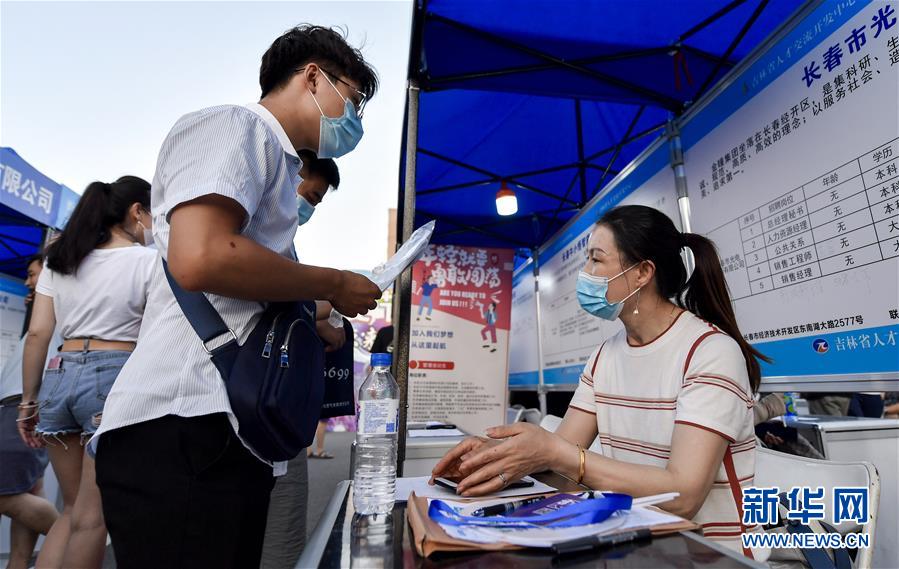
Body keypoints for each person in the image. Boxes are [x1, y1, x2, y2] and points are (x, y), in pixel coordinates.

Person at [91, 25, 381, 569]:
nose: (355, 120)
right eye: (354, 99)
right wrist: (334, 282)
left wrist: (316, 309)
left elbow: (246, 291)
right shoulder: (235, 126)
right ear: (313, 76)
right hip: (182, 420)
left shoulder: (274, 160)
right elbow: (202, 256)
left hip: (222, 428)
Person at [431, 205, 770, 560]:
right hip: (636, 545)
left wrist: (555, 453)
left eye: (596, 260)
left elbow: (683, 496)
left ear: (642, 272)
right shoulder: (605, 356)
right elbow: (556, 457)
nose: (585, 274)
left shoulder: (709, 351)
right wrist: (493, 457)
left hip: (712, 555)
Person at [17, 176, 155, 569]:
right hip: (113, 376)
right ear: (136, 212)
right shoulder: (147, 262)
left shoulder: (61, 261)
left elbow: (39, 333)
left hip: (60, 375)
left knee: (73, 507)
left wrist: (29, 402)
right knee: (95, 517)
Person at [261, 151, 345, 569]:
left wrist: (316, 317)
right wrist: (333, 293)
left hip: (259, 402)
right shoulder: (260, 229)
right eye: (310, 194)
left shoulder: (279, 236)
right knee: (281, 528)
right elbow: (266, 293)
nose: (308, 207)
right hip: (263, 406)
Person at [0, 254, 58, 569]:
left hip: (23, 404)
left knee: (12, 492)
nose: (28, 282)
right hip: (22, 405)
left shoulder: (57, 307)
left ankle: (71, 535)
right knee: (26, 489)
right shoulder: (45, 310)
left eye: (33, 274)